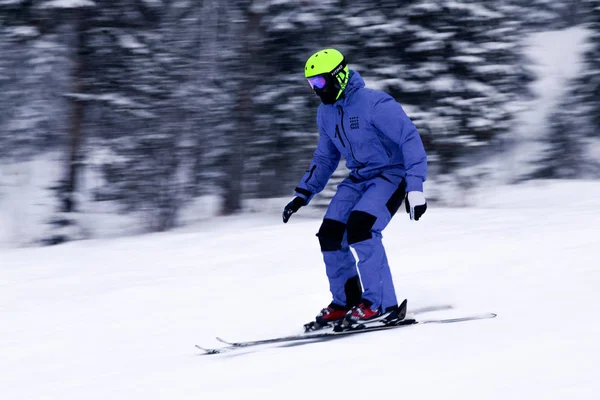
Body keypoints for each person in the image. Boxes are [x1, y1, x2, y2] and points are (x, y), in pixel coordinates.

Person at [282, 48, 428, 331]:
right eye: (312, 85)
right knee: (330, 234)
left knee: (362, 228)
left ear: (339, 75)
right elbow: (325, 157)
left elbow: (410, 139)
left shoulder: (375, 104)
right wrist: (303, 193)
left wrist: (415, 188)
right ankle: (346, 302)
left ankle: (382, 306)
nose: (316, 90)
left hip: (391, 174)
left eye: (321, 82)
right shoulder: (326, 113)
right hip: (359, 178)